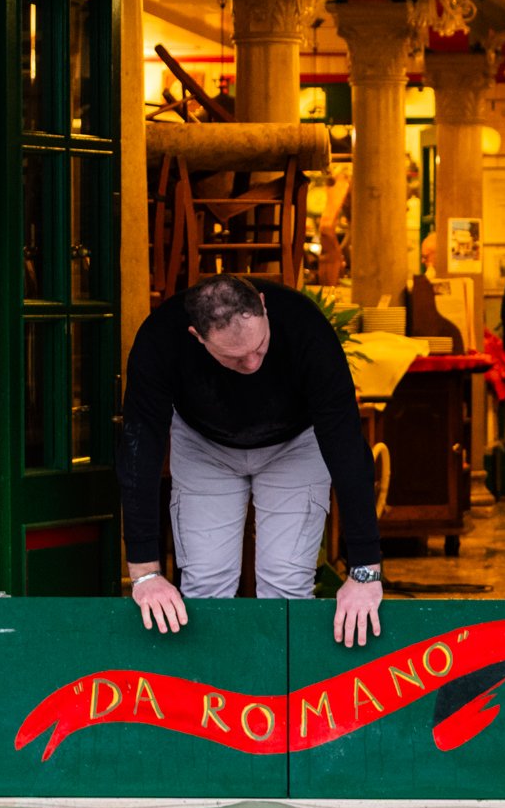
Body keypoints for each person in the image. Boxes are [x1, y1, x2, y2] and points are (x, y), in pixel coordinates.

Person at [120, 274, 384, 648]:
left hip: (295, 444)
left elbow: (344, 442)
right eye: (235, 356)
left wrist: (365, 570)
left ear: (262, 303)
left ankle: (286, 698)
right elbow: (139, 447)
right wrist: (144, 572)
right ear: (197, 336)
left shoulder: (304, 327)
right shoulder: (161, 339)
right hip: (203, 446)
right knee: (204, 586)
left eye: (259, 346)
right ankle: (211, 694)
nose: (253, 363)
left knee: (286, 582)